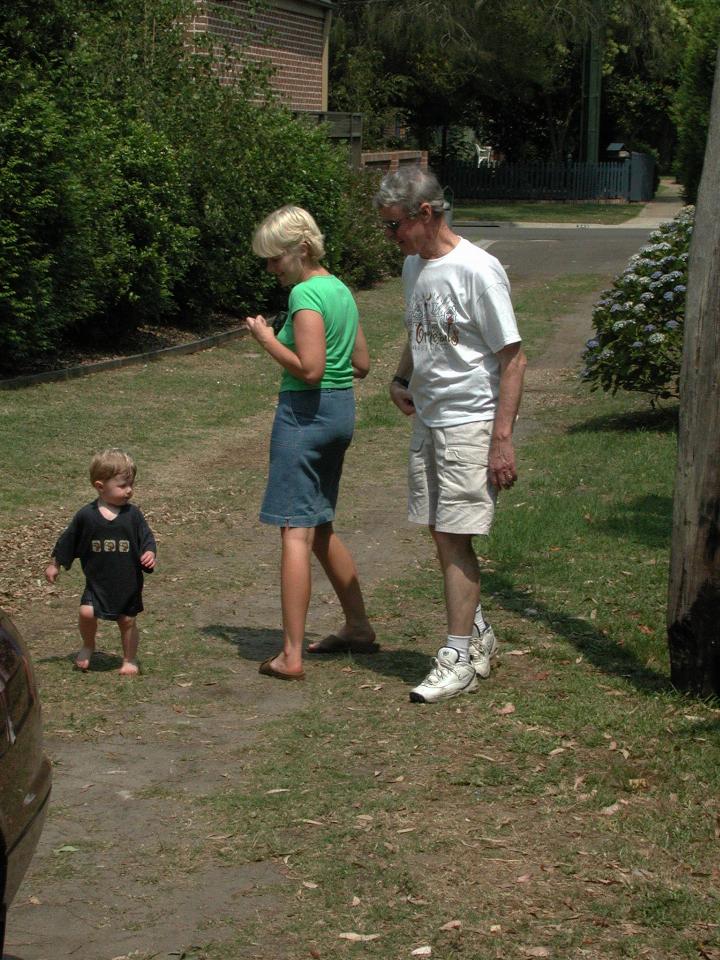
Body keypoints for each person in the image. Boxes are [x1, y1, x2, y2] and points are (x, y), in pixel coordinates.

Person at [375, 166, 526, 704]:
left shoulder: (478, 270)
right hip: (429, 420)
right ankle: (478, 632)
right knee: (441, 530)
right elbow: (422, 330)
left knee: (456, 535)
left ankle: (457, 654)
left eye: (395, 226)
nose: (390, 238)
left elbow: (512, 358)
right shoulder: (415, 267)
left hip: (470, 421)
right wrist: (400, 378)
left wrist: (501, 439)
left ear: (426, 213)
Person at [245, 205, 376, 681]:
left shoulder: (305, 294)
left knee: (294, 531)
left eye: (275, 258)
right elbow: (361, 362)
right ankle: (358, 628)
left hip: (304, 415)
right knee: (319, 526)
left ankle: (291, 654)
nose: (271, 269)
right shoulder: (340, 289)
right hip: (339, 414)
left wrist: (265, 338)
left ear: (300, 249)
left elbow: (310, 368)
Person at [45, 448, 156, 676]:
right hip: (97, 582)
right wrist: (55, 564)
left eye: (131, 485)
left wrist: (149, 553)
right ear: (100, 486)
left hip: (127, 583)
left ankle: (129, 659)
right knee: (86, 612)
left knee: (127, 621)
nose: (129, 491)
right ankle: (88, 645)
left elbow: (147, 539)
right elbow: (69, 540)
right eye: (122, 486)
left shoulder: (133, 516)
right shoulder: (87, 516)